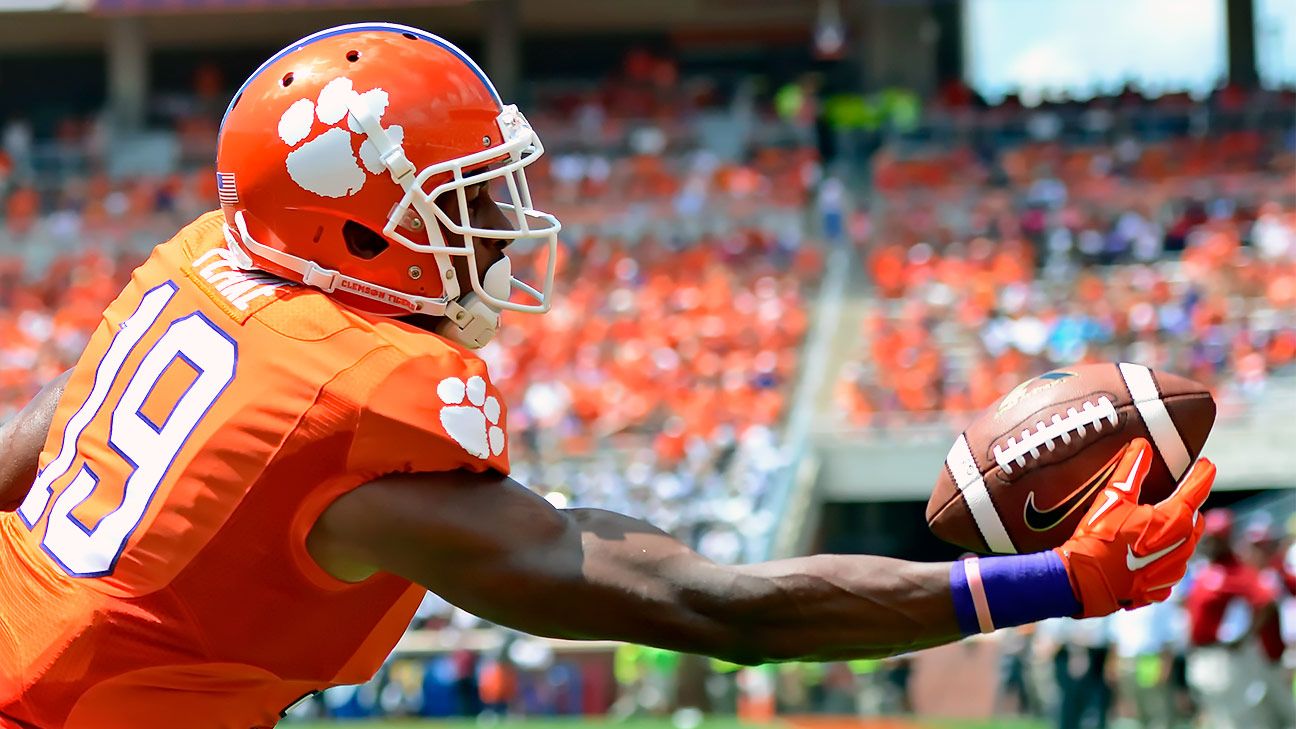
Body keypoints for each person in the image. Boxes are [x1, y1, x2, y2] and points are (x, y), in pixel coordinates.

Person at [0, 23, 1217, 729]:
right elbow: (706, 607)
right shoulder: (353, 402)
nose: (497, 232)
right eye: (464, 203)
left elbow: (29, 450)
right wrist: (1048, 581)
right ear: (355, 229)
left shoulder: (212, 266)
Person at [1184, 510, 1279, 729]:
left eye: (1216, 538)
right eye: (1208, 537)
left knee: (1234, 719)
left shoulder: (1237, 571)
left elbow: (1267, 603)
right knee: (1214, 717)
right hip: (1201, 655)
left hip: (1223, 657)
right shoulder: (1205, 568)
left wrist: (1245, 637)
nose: (1210, 542)